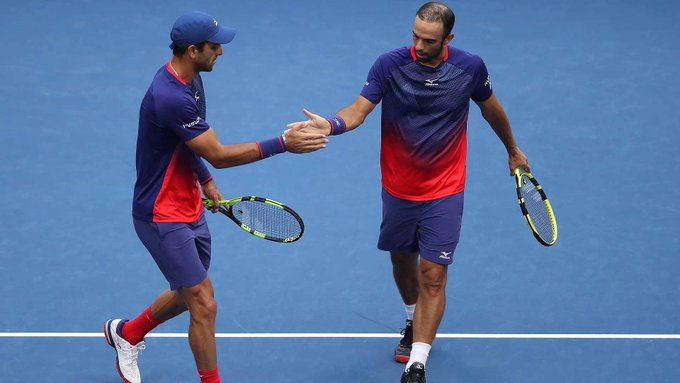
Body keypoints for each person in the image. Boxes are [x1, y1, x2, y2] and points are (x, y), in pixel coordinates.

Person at [290, 2, 529, 382]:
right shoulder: (389, 65)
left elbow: (492, 111)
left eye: (429, 40)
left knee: (433, 274)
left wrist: (513, 150)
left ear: (448, 39)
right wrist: (331, 125)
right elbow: (358, 110)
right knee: (402, 262)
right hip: (398, 188)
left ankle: (418, 361)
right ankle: (410, 319)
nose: (418, 44)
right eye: (415, 35)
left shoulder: (469, 68)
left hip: (445, 189)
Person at [104, 11, 328, 383]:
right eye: (215, 46)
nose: (221, 52)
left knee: (186, 292)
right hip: (161, 214)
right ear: (193, 51)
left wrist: (203, 180)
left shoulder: (190, 80)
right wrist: (284, 144)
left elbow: (190, 145)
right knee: (204, 303)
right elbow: (219, 154)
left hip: (188, 202)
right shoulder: (170, 95)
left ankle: (126, 334)